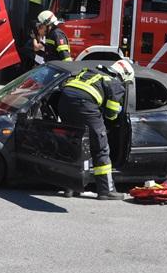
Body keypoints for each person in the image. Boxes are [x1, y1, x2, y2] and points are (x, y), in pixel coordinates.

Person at [57, 60, 134, 200]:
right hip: (85, 106)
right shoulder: (115, 83)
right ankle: (106, 190)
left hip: (64, 102)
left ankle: (70, 187)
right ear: (124, 75)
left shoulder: (91, 71)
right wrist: (115, 110)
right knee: (100, 147)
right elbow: (111, 114)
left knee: (74, 144)